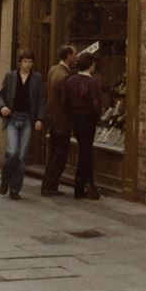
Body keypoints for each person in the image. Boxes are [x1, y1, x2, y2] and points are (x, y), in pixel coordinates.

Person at [0, 49, 46, 201]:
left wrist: (40, 119)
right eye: (25, 61)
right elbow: (0, 95)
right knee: (12, 153)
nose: (28, 64)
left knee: (22, 156)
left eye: (30, 62)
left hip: (27, 120)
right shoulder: (10, 76)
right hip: (13, 118)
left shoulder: (37, 78)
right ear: (19, 62)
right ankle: (5, 181)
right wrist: (2, 106)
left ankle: (15, 189)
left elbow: (41, 100)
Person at [65, 51, 101, 200]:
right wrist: (96, 117)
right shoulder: (92, 83)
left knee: (84, 150)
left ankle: (82, 186)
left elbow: (65, 102)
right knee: (86, 152)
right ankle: (82, 185)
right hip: (88, 120)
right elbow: (96, 105)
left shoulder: (70, 81)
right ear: (90, 65)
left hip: (75, 120)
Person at [41, 44, 76, 197]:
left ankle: (47, 185)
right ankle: (50, 186)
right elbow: (65, 102)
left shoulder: (53, 70)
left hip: (52, 119)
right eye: (74, 54)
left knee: (53, 153)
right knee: (60, 155)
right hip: (62, 121)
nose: (76, 57)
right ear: (68, 56)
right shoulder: (65, 76)